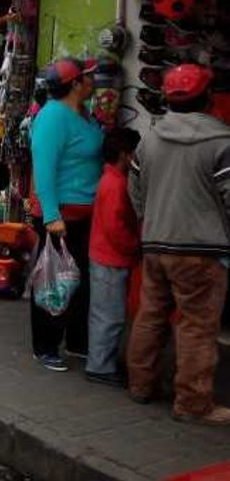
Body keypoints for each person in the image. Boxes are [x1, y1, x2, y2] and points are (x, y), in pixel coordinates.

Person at [126, 64, 230, 425]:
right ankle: (193, 404)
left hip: (156, 243)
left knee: (151, 315)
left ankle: (141, 385)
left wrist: (150, 218)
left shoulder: (150, 139)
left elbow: (135, 189)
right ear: (208, 98)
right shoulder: (221, 143)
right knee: (197, 326)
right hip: (201, 250)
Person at [29, 57, 103, 372]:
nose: (93, 79)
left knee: (80, 281)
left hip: (87, 213)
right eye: (88, 76)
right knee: (55, 281)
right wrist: (51, 215)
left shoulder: (84, 114)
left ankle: (76, 341)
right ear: (75, 84)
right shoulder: (53, 117)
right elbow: (43, 169)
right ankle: (45, 346)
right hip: (61, 215)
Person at [85, 127, 141, 387]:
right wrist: (134, 246)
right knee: (109, 316)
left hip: (106, 256)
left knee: (106, 313)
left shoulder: (111, 179)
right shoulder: (115, 184)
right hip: (110, 258)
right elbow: (115, 227)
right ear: (125, 154)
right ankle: (100, 366)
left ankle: (101, 361)